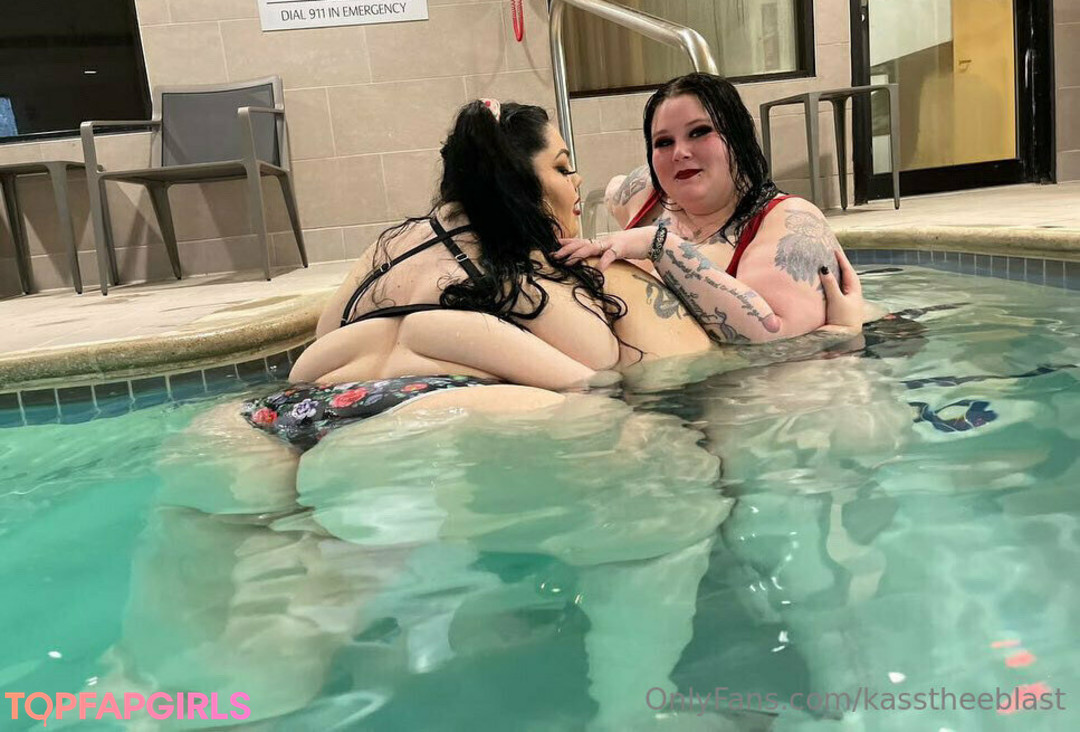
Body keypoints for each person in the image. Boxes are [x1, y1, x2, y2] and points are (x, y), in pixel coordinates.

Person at [560, 72, 860, 345]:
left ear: (738, 137)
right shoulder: (648, 194)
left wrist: (659, 245)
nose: (679, 153)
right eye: (663, 142)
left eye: (699, 132)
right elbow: (613, 188)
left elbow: (779, 345)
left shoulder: (788, 221)